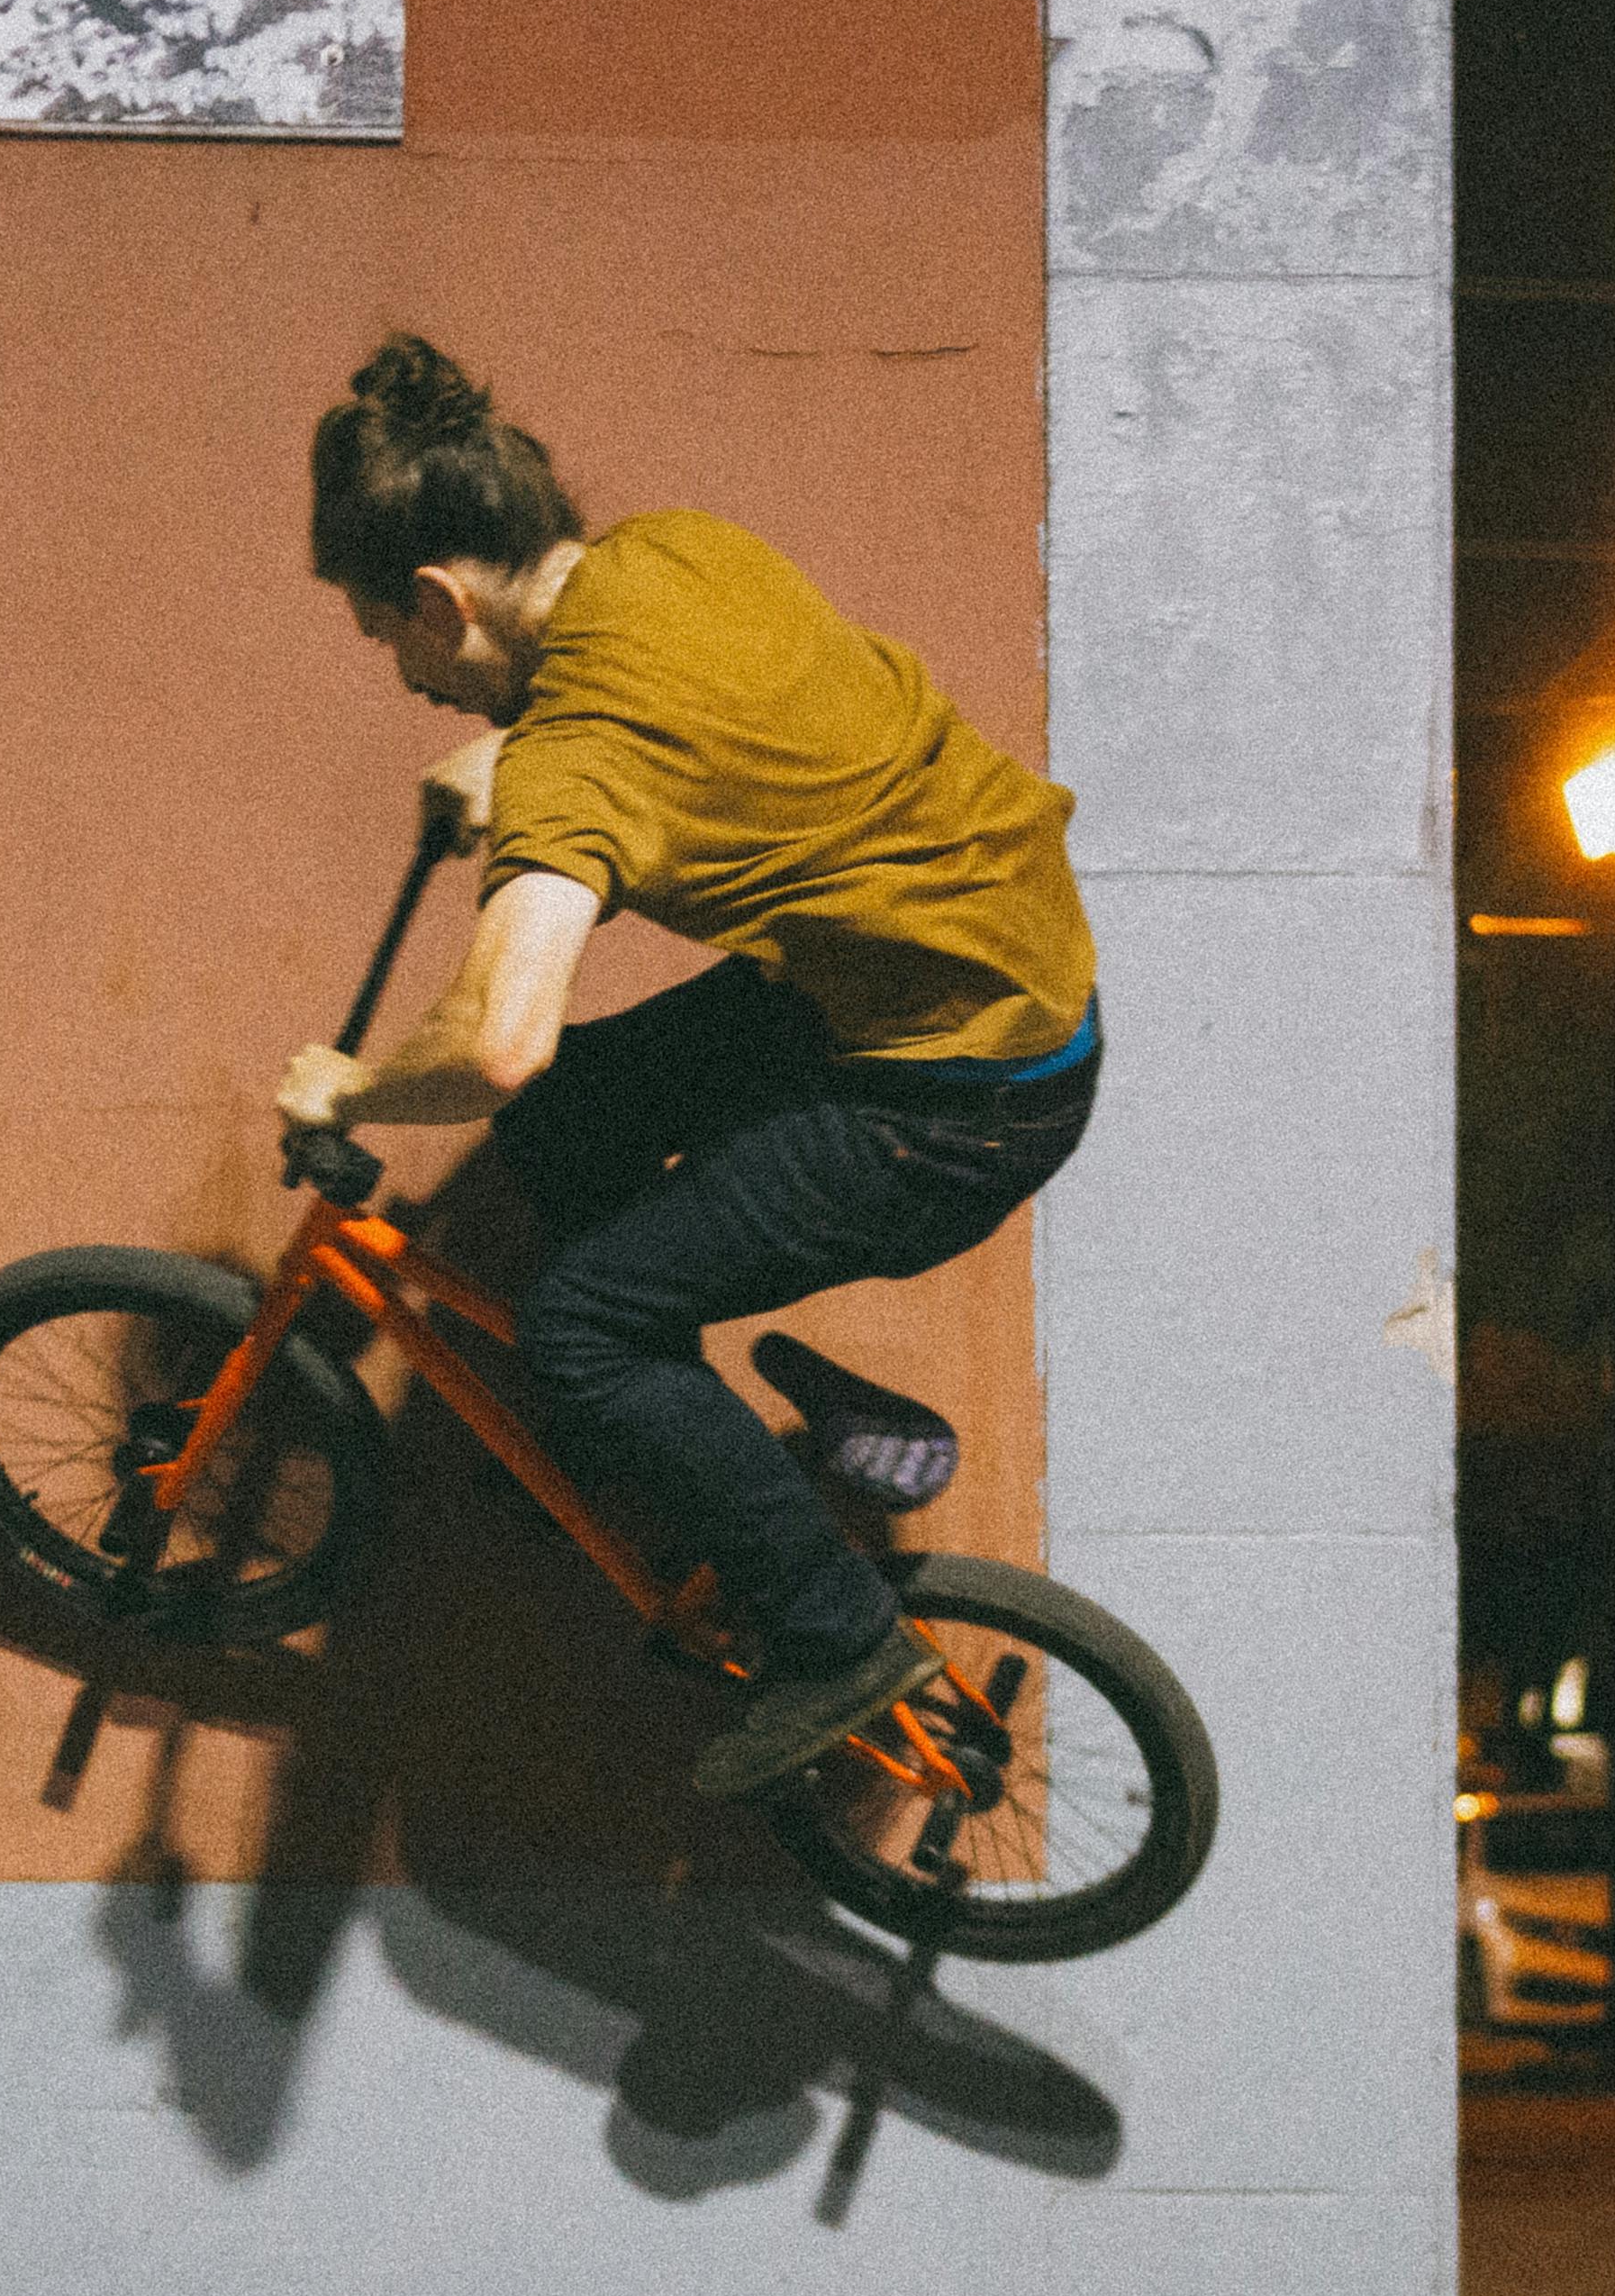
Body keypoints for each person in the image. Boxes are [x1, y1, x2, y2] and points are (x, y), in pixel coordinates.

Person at [277, 335, 1100, 1798]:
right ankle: (662, 1454)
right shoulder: (675, 556)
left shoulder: (579, 761)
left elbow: (495, 1043)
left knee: (586, 1326)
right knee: (588, 1113)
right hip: (978, 982)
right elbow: (675, 715)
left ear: (436, 601)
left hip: (952, 1106)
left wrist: (347, 1091)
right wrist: (514, 746)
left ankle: (839, 1641)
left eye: (386, 642)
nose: (403, 682)